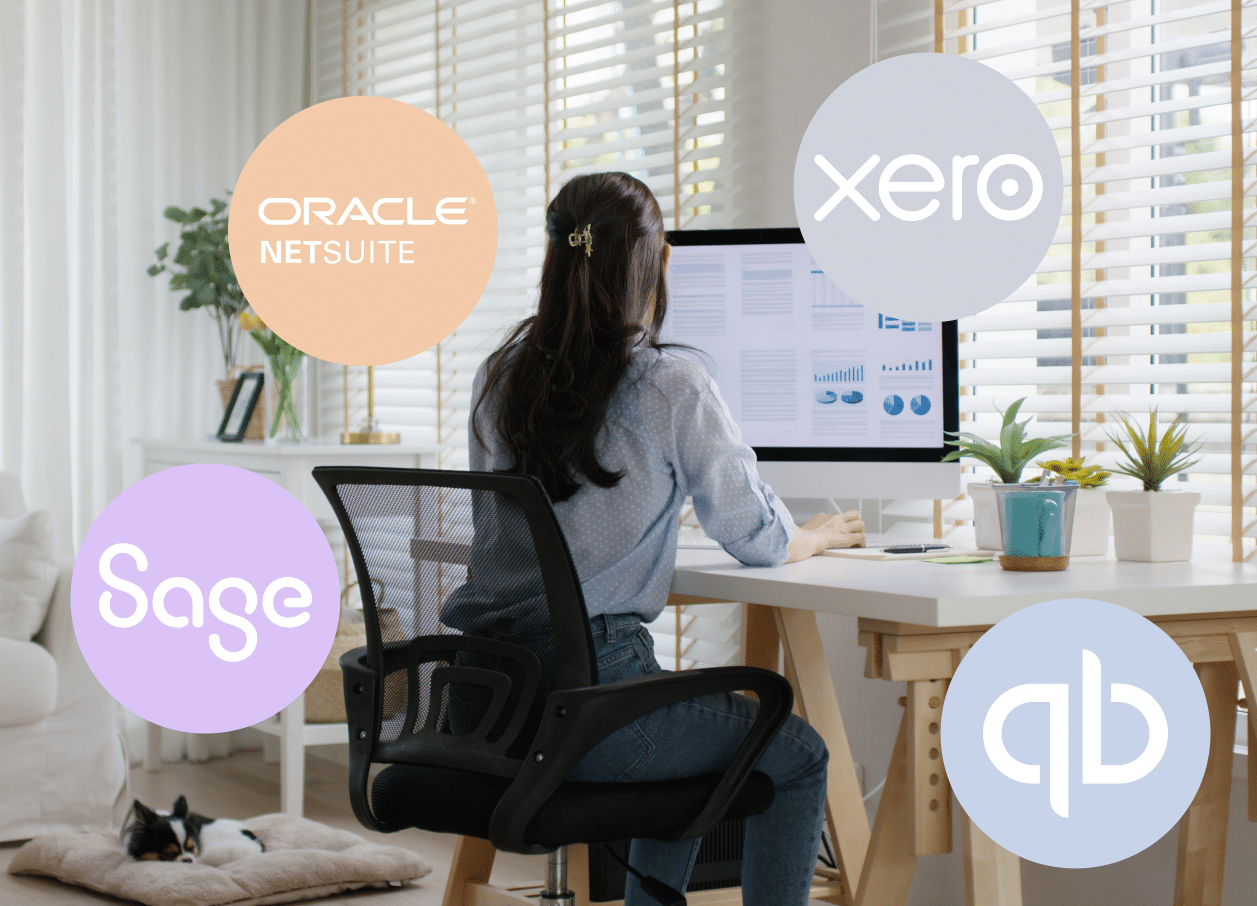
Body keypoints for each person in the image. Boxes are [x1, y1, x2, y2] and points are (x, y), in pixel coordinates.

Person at [461, 171, 865, 905]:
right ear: (658, 261)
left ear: (555, 260)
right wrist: (812, 537)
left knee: (690, 730)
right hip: (590, 712)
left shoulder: (501, 376)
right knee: (798, 755)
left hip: (484, 706)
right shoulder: (667, 382)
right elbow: (755, 536)